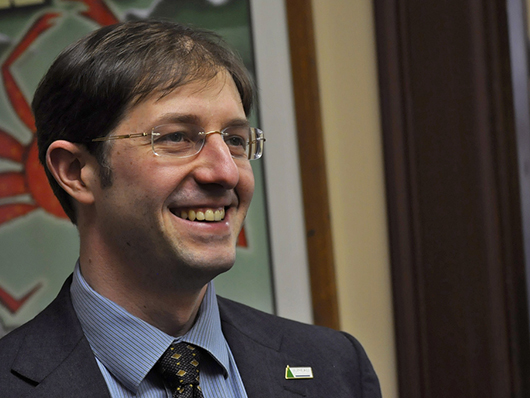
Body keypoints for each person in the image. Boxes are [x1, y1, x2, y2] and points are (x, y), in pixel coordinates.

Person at [0, 20, 381, 397]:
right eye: (177, 137)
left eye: (234, 139)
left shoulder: (336, 367)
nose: (226, 172)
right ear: (77, 172)